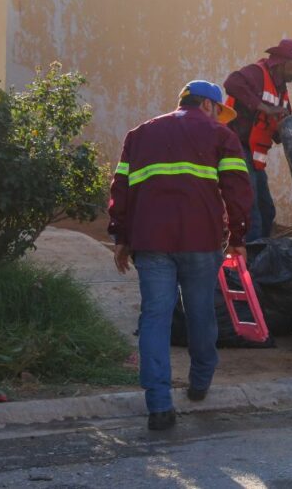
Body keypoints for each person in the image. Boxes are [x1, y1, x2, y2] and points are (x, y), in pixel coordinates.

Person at [108, 80, 252, 431]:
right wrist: (237, 236)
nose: (220, 117)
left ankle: (158, 405)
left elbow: (121, 189)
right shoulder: (221, 136)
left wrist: (122, 237)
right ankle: (200, 383)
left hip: (150, 240)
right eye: (220, 111)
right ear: (208, 105)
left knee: (155, 316)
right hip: (200, 240)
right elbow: (238, 189)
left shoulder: (139, 134)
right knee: (200, 311)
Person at [224, 39, 292, 241]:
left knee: (267, 211)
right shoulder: (256, 73)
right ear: (284, 61)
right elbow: (231, 83)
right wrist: (266, 108)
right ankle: (250, 261)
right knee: (252, 210)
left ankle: (263, 254)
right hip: (235, 149)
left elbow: (283, 127)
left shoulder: (281, 90)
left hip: (254, 157)